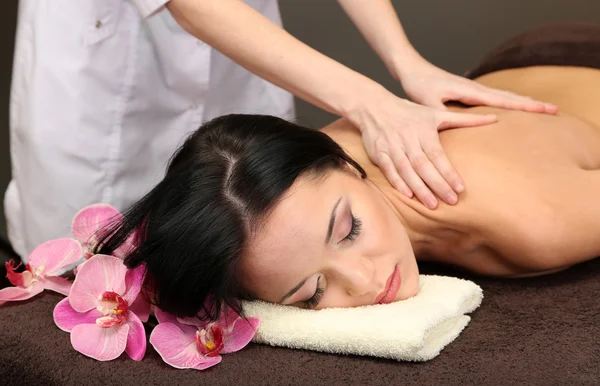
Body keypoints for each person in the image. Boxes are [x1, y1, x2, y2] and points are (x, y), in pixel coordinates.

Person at [94, 22, 600, 320]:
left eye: (350, 229)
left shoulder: (535, 222)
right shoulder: (286, 179)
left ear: (346, 164)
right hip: (506, 72)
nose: (364, 282)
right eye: (312, 294)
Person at [5, 0, 555, 263]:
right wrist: (371, 104)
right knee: (84, 280)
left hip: (241, 63)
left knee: (249, 263)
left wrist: (406, 62)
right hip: (107, 82)